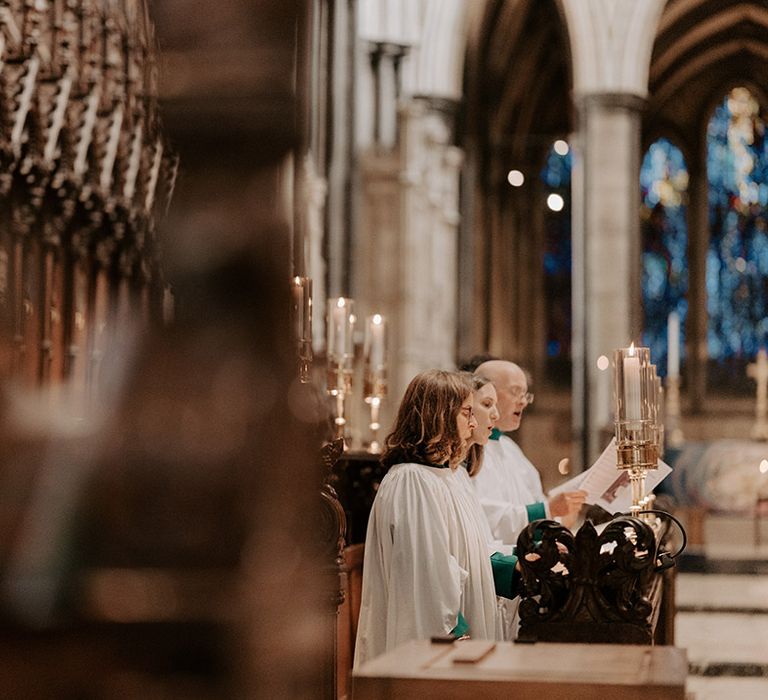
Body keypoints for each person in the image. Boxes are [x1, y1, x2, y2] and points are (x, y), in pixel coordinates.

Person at [354, 370, 500, 667]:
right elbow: (427, 579)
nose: (473, 424)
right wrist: (456, 639)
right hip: (440, 652)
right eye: (466, 413)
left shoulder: (444, 477)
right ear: (439, 416)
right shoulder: (413, 482)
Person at [472, 360, 586, 543]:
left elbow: (535, 500)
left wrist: (560, 517)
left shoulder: (510, 448)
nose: (524, 402)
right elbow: (485, 517)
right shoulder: (470, 452)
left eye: (526, 394)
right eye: (515, 392)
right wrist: (548, 510)